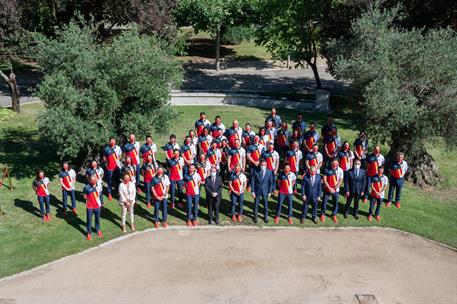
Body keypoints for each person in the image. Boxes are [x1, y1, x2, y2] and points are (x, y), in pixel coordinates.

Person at [251, 159, 274, 223]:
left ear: (266, 165)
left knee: (265, 204)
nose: (262, 166)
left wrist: (270, 192)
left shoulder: (269, 172)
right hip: (257, 190)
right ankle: (255, 216)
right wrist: (252, 191)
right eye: (261, 165)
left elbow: (271, 183)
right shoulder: (255, 171)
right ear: (260, 165)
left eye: (264, 165)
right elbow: (253, 181)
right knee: (256, 204)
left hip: (265, 191)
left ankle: (266, 216)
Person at [322, 159, 344, 223]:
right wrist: (329, 188)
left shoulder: (340, 170)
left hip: (336, 190)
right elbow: (324, 180)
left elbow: (340, 180)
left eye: (336, 164)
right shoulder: (327, 169)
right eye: (333, 164)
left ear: (338, 164)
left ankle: (334, 215)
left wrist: (334, 188)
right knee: (324, 202)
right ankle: (323, 214)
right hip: (327, 189)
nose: (334, 165)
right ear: (331, 163)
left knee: (335, 203)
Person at [83, 174, 103, 240]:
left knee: (97, 218)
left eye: (95, 180)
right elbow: (84, 196)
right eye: (92, 180)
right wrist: (89, 200)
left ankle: (97, 230)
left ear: (96, 180)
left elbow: (100, 194)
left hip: (97, 206)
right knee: (89, 220)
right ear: (90, 180)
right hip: (90, 207)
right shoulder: (86, 187)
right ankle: (89, 233)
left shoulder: (99, 185)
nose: (94, 182)